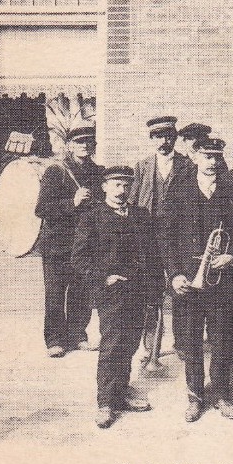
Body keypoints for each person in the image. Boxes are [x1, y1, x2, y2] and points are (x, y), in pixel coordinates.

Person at [158, 137, 233, 422]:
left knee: (221, 339)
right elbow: (166, 236)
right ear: (195, 157)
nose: (213, 162)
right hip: (189, 282)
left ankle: (220, 392)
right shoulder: (179, 189)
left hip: (221, 281)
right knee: (191, 341)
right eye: (207, 156)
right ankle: (195, 395)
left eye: (217, 157)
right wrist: (175, 274)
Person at [72, 166, 163, 429]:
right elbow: (79, 259)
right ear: (105, 187)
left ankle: (121, 394)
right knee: (112, 346)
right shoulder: (92, 217)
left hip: (139, 290)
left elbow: (153, 255)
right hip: (112, 293)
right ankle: (105, 403)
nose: (122, 191)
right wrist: (105, 278)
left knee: (130, 345)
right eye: (116, 185)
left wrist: (155, 289)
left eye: (126, 185)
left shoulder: (141, 215)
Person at [35, 126, 105, 358]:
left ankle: (77, 335)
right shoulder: (57, 171)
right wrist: (72, 202)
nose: (85, 145)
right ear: (70, 145)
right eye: (79, 142)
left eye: (89, 142)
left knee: (81, 294)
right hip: (57, 246)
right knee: (55, 295)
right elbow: (42, 209)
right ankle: (54, 340)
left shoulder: (99, 173)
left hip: (85, 245)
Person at [129, 116, 192, 366]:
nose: (164, 141)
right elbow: (133, 203)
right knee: (152, 294)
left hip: (178, 239)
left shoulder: (187, 165)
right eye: (158, 136)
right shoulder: (143, 166)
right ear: (152, 139)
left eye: (168, 136)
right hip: (149, 239)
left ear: (175, 138)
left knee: (181, 290)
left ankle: (183, 343)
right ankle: (150, 349)